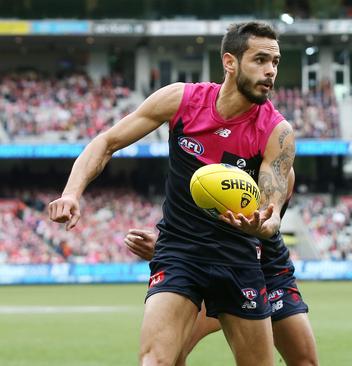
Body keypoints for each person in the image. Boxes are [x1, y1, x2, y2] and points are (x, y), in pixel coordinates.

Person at [49, 21, 294, 366]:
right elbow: (106, 142)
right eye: (260, 60)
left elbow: (272, 214)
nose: (270, 71)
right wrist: (72, 193)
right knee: (156, 361)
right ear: (230, 62)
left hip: (239, 259)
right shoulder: (182, 99)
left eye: (276, 62)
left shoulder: (277, 131)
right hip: (179, 255)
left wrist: (260, 225)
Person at [124, 168, 318, 366]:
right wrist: (167, 247)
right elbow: (194, 223)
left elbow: (267, 222)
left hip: (269, 267)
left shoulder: (280, 165)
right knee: (174, 353)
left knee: (304, 361)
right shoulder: (207, 167)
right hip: (222, 263)